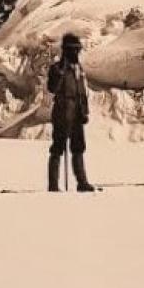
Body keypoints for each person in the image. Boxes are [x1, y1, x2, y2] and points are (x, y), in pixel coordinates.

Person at [46, 34, 95, 192]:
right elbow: (52, 88)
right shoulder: (56, 68)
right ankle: (53, 184)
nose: (76, 53)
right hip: (62, 113)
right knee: (58, 148)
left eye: (77, 50)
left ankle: (82, 182)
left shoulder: (79, 69)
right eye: (73, 50)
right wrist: (61, 72)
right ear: (66, 51)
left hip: (76, 114)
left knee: (78, 147)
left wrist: (84, 112)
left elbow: (82, 92)